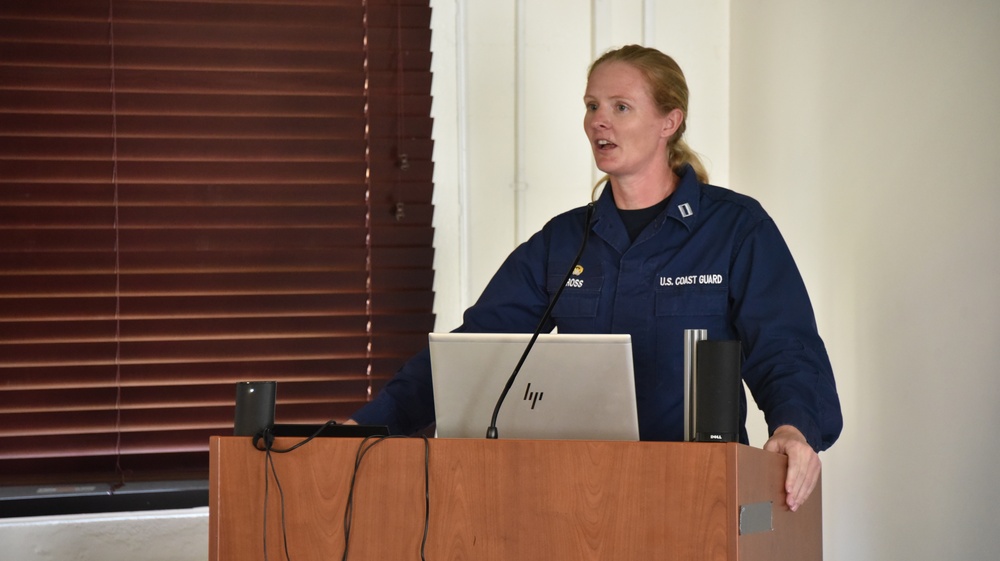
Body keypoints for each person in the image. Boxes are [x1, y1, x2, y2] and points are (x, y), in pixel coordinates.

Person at [349, 45, 843, 512]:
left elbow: (786, 348)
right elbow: (477, 349)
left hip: (697, 493)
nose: (598, 121)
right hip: (578, 495)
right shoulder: (563, 241)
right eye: (591, 105)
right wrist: (367, 426)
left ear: (669, 122)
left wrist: (794, 428)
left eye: (621, 106)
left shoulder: (736, 229)